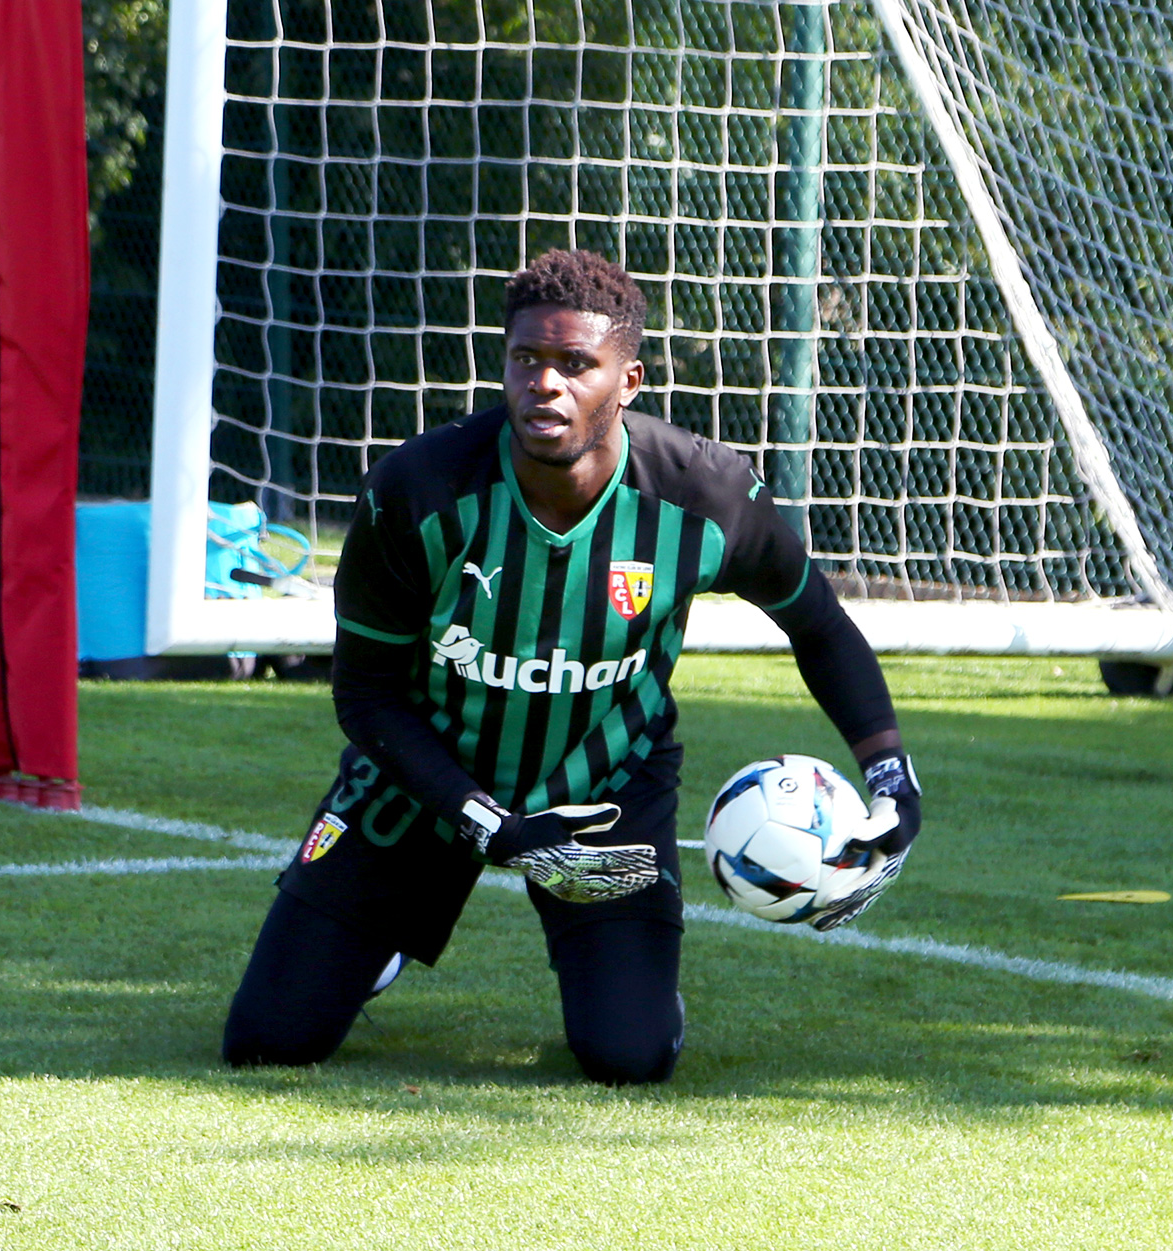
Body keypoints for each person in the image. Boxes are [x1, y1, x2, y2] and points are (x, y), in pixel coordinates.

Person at [222, 249, 921, 1084]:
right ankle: (374, 950)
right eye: (527, 359)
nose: (544, 384)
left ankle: (637, 988)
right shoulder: (416, 490)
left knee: (629, 1055)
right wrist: (489, 822)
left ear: (628, 381)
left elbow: (820, 625)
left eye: (575, 364)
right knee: (268, 1039)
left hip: (606, 790)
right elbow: (366, 696)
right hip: (422, 783)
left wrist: (890, 776)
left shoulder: (707, 495)